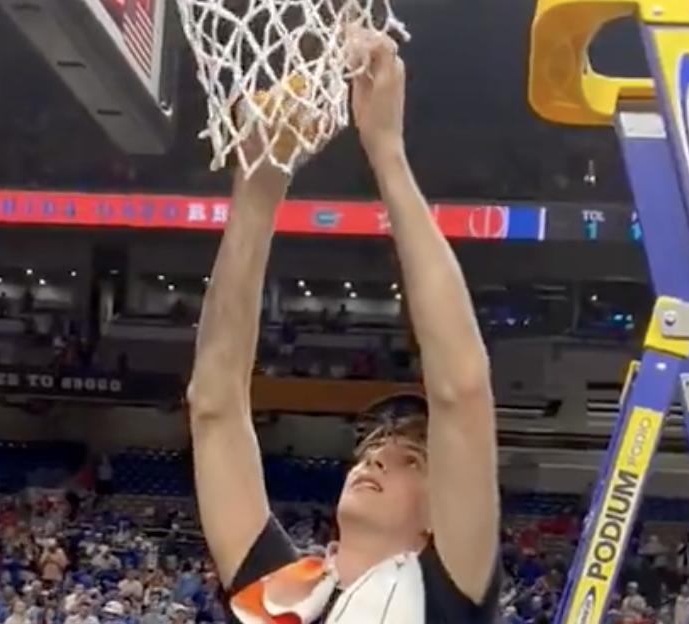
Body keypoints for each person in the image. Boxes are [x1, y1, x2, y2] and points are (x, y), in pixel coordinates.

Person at [186, 27, 500, 624]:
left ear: (440, 517)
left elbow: (461, 388)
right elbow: (213, 406)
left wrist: (387, 150)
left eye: (411, 460)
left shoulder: (447, 595)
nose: (376, 459)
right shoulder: (282, 593)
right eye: (375, 449)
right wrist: (258, 185)